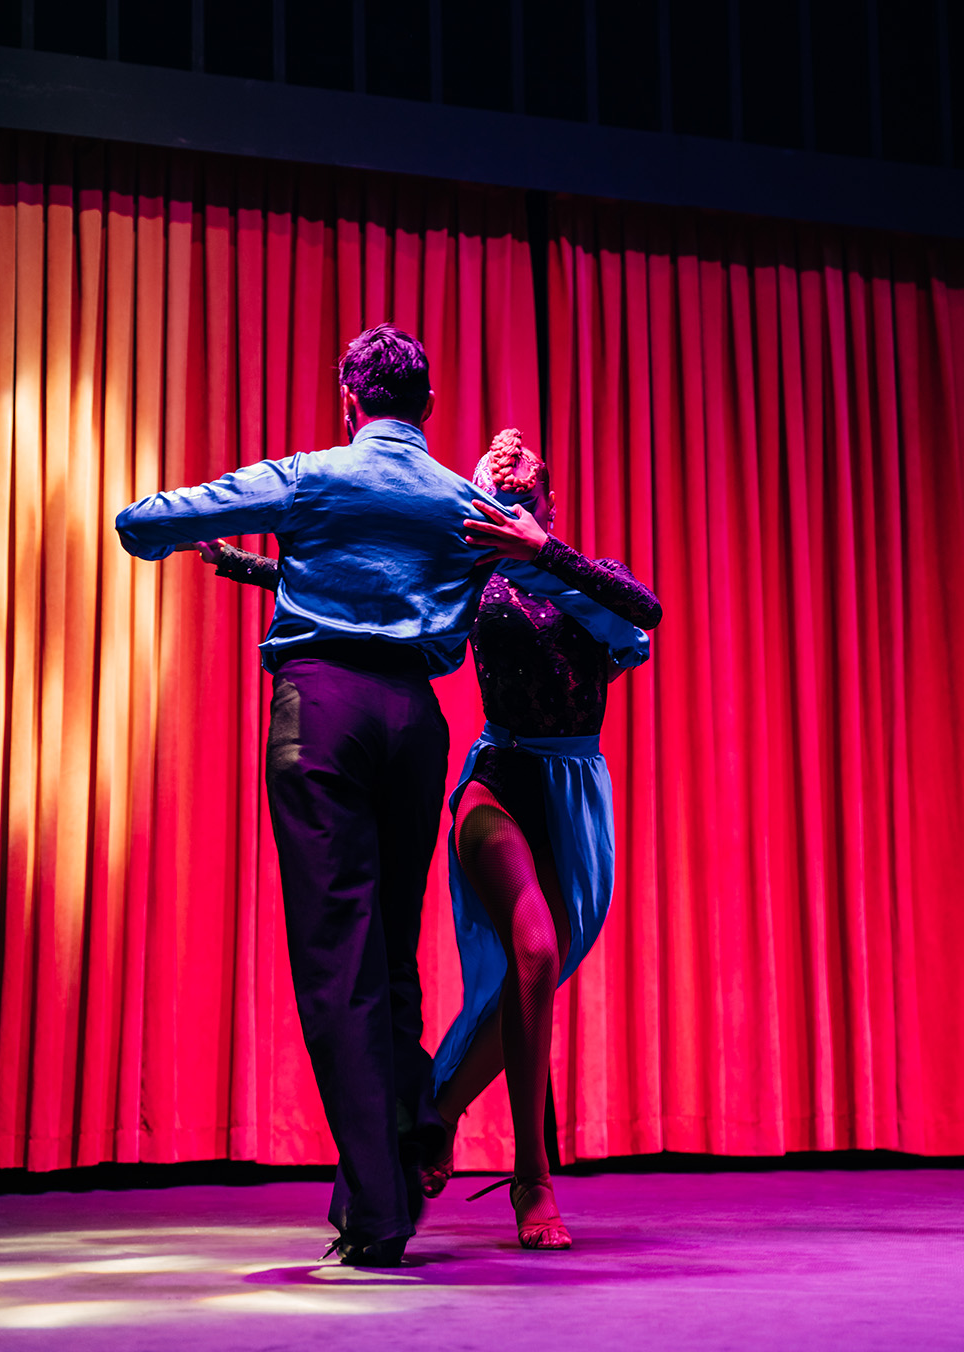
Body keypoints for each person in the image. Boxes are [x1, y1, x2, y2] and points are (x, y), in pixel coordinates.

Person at [114, 325, 530, 1267]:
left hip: (324, 716)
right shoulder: (465, 503)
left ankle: (379, 1214)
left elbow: (144, 522)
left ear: (350, 400)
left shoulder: (312, 475)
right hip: (416, 723)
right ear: (427, 406)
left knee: (338, 963)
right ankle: (401, 1155)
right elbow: (488, 579)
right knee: (390, 955)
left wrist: (179, 530)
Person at [205, 427, 662, 1251]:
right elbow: (356, 597)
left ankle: (438, 1114)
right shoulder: (467, 579)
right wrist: (248, 565)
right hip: (497, 781)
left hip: (575, 791)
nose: (507, 509)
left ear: (548, 503)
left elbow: (645, 612)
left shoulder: (585, 576)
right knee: (534, 952)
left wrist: (542, 550)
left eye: (523, 496)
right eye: (495, 496)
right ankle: (531, 1176)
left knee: (537, 972)